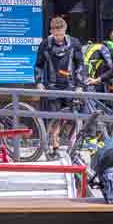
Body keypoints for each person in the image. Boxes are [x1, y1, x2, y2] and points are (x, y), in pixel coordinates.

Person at [35, 16, 84, 150]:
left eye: (60, 34)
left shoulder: (74, 43)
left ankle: (71, 144)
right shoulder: (45, 44)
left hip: (70, 85)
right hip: (52, 86)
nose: (58, 37)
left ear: (65, 30)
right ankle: (55, 144)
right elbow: (38, 65)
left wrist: (80, 85)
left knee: (72, 117)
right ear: (51, 31)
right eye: (55, 34)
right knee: (54, 117)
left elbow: (80, 65)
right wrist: (39, 82)